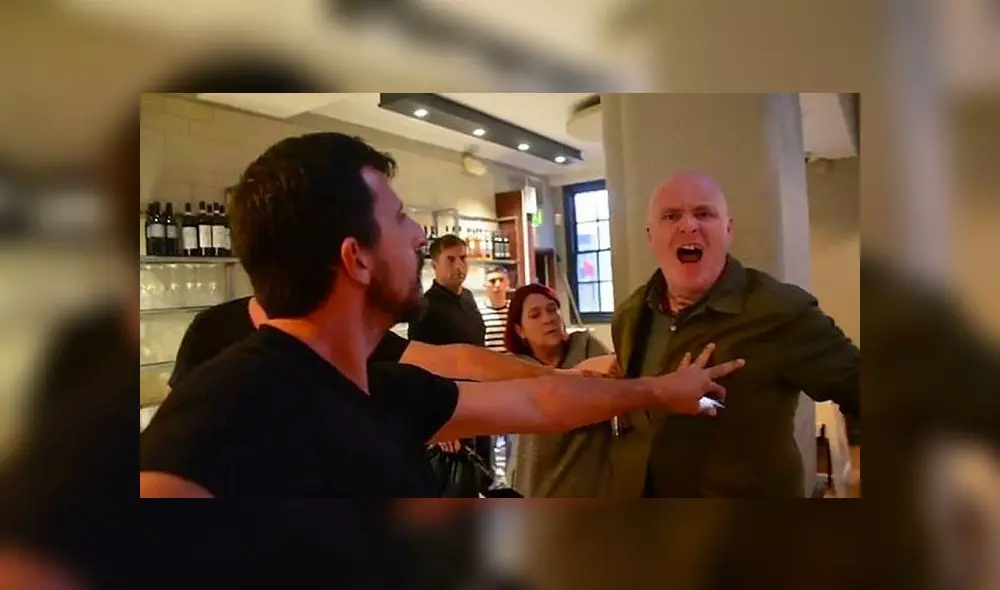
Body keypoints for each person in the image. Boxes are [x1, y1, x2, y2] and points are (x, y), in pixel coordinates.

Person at [139, 133, 744, 498]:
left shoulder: (386, 391)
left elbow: (539, 403)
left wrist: (660, 390)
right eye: (401, 219)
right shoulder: (232, 397)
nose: (420, 233)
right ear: (357, 260)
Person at [610, 170, 860, 498]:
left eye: (704, 213)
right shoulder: (631, 315)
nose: (687, 225)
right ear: (650, 236)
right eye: (670, 216)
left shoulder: (780, 310)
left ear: (728, 230)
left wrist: (858, 463)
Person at [167, 291, 558, 391]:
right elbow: (170, 439)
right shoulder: (212, 329)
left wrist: (561, 374)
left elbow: (456, 362)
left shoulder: (349, 334)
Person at [503, 284, 616, 497]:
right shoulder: (517, 367)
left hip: (592, 488)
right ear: (520, 330)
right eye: (535, 315)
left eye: (552, 308)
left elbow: (617, 381)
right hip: (536, 488)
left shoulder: (586, 346)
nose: (548, 319)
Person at [407, 234, 492, 494]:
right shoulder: (426, 308)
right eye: (450, 259)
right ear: (434, 266)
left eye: (463, 258)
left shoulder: (467, 299)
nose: (459, 266)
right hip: (450, 412)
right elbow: (417, 370)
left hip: (481, 405)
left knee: (483, 480)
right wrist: (440, 426)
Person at [478, 266, 511, 353]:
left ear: (507, 283)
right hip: (488, 364)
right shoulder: (477, 311)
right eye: (492, 281)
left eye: (501, 280)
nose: (497, 284)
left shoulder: (515, 309)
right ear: (485, 285)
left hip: (513, 364)